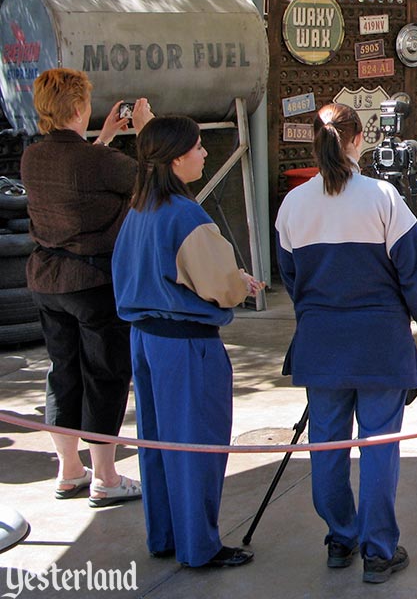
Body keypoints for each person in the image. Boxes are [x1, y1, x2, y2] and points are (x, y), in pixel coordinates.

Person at [275, 103, 417, 585]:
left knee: (326, 446)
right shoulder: (383, 198)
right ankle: (378, 551)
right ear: (358, 140)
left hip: (321, 345)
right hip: (378, 346)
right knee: (378, 446)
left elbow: (291, 278)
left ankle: (339, 537)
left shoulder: (293, 206)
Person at [111, 116, 262, 568]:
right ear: (177, 158)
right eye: (198, 147)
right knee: (197, 445)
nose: (204, 153)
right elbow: (220, 285)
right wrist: (238, 283)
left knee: (157, 442)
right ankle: (200, 546)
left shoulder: (139, 208)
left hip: (145, 339)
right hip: (186, 345)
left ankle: (165, 535)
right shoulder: (186, 215)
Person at [20, 68, 151, 507]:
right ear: (79, 108)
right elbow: (153, 182)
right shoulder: (96, 162)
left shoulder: (32, 157)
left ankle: (69, 470)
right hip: (93, 282)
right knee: (105, 376)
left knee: (63, 373)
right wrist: (147, 132)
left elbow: (77, 177)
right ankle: (106, 477)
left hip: (47, 280)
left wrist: (105, 138)